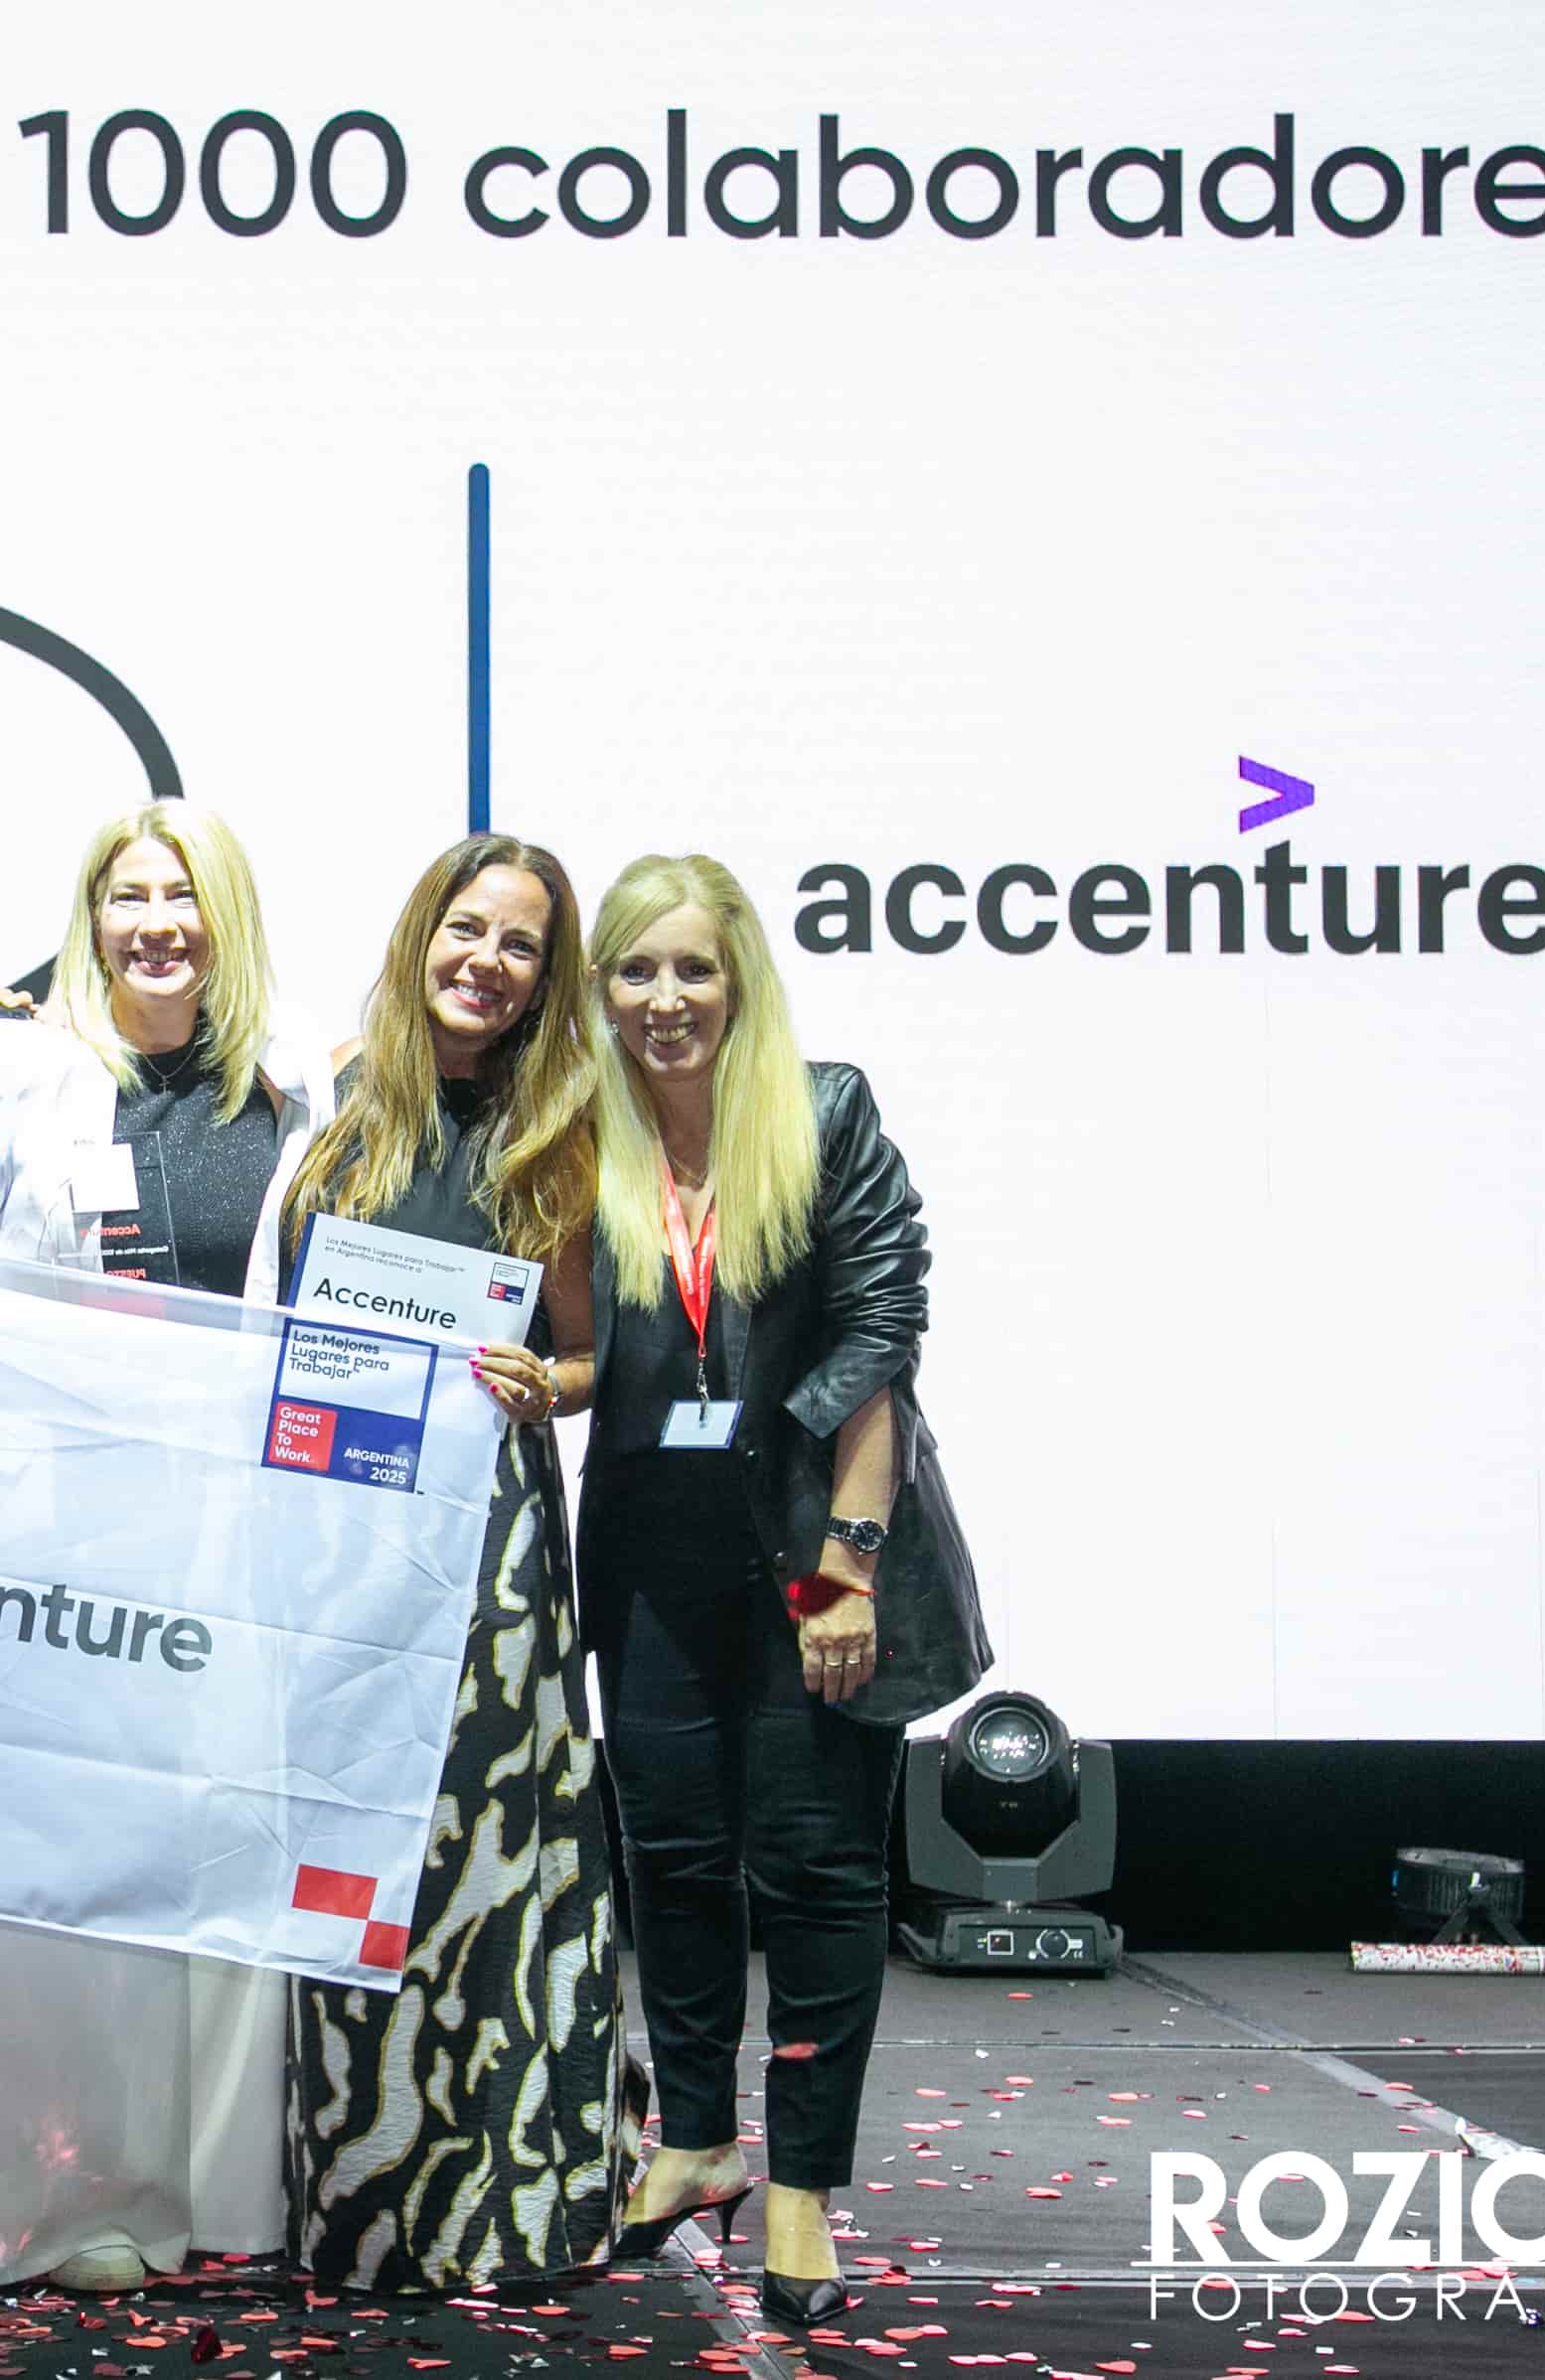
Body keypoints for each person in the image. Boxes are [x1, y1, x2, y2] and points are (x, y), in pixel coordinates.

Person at [0, 803, 335, 2295]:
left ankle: (218, 2190)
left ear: (227, 917)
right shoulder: (21, 1077)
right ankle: (57, 2195)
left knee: (224, 1853)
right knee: (55, 1877)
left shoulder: (298, 1094)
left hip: (232, 1543)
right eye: (127, 895)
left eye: (182, 894)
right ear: (90, 919)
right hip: (61, 1542)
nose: (156, 923)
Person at [570, 853, 978, 2331]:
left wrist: (845, 1566)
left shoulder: (824, 1112)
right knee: (672, 1861)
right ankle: (693, 2139)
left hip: (811, 1554)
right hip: (650, 1565)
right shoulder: (586, 1135)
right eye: (635, 970)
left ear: (738, 975)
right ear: (602, 989)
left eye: (693, 966)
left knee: (815, 1869)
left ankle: (799, 2180)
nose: (665, 998)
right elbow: (589, 1350)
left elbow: (880, 1334)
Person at [271, 834, 629, 2289]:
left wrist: (551, 1385)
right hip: (336, 1539)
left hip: (488, 1553)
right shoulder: (338, 1104)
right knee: (348, 1859)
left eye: (520, 943)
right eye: (466, 928)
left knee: (483, 1873)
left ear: (549, 976)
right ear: (423, 931)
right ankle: (353, 2206)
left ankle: (499, 2208)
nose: (486, 960)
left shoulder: (559, 1133)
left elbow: (593, 1353)